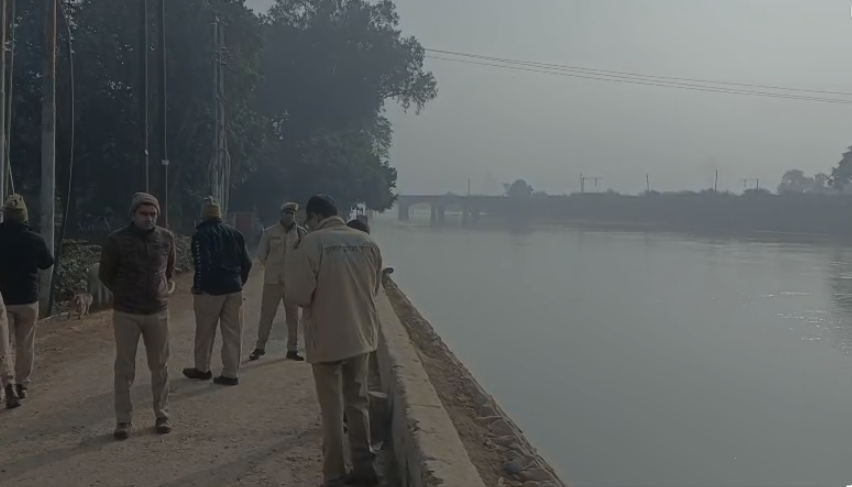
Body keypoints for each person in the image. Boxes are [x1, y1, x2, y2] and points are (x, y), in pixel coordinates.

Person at [286, 195, 384, 486]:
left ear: (315, 217)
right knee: (358, 403)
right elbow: (374, 289)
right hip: (362, 336)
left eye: (308, 220)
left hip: (326, 336)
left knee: (331, 409)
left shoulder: (312, 243)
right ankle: (365, 469)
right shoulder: (367, 242)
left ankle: (335, 474)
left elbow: (299, 295)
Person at [99, 192, 176, 440]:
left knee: (160, 366)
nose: (149, 218)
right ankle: (123, 420)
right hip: (127, 313)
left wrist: (160, 289)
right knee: (124, 368)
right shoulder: (116, 240)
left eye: (153, 214)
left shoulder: (166, 238)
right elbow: (105, 274)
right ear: (133, 214)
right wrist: (125, 291)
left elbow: (168, 270)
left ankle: (162, 414)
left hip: (158, 312)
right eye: (144, 213)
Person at [183, 197, 252, 386]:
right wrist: (239, 282)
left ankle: (202, 369)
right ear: (220, 214)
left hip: (210, 291)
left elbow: (202, 265)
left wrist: (198, 287)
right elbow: (247, 263)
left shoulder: (201, 235)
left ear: (203, 214)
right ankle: (230, 374)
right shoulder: (235, 233)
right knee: (233, 333)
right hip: (234, 289)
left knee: (205, 332)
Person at [0, 194, 54, 407]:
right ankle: (22, 384)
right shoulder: (35, 239)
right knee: (25, 344)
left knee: (3, 345)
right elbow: (47, 263)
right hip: (28, 300)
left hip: (3, 299)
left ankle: (7, 385)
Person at [249, 202, 307, 362]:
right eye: (287, 213)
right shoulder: (270, 232)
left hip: (291, 282)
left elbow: (305, 256)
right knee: (267, 315)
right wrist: (272, 267)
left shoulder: (301, 233)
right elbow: (261, 254)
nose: (289, 216)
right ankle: (260, 347)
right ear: (281, 214)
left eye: (292, 214)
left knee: (293, 316)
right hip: (272, 281)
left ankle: (292, 348)